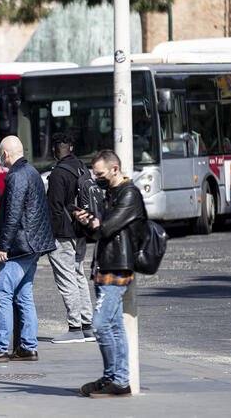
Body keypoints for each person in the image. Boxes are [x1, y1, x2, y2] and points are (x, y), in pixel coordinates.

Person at [0, 136, 55, 363]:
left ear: (5, 154)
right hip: (34, 242)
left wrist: (4, 247)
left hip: (21, 244)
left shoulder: (16, 176)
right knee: (23, 294)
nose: (0, 159)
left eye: (0, 154)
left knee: (2, 293)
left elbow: (13, 214)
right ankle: (28, 347)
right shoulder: (32, 172)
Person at [75, 150, 147, 398]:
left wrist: (96, 223)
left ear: (115, 169)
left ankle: (118, 380)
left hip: (117, 267)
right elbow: (96, 233)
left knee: (100, 325)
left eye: (100, 173)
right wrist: (86, 222)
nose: (97, 178)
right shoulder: (111, 194)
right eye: (95, 174)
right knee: (114, 326)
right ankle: (114, 378)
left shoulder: (129, 194)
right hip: (104, 265)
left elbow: (107, 228)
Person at [46, 132, 95, 343]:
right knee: (78, 275)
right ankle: (87, 326)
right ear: (71, 148)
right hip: (81, 231)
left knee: (66, 279)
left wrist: (52, 237)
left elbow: (54, 209)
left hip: (64, 234)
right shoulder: (82, 168)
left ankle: (74, 328)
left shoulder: (58, 174)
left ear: (54, 151)